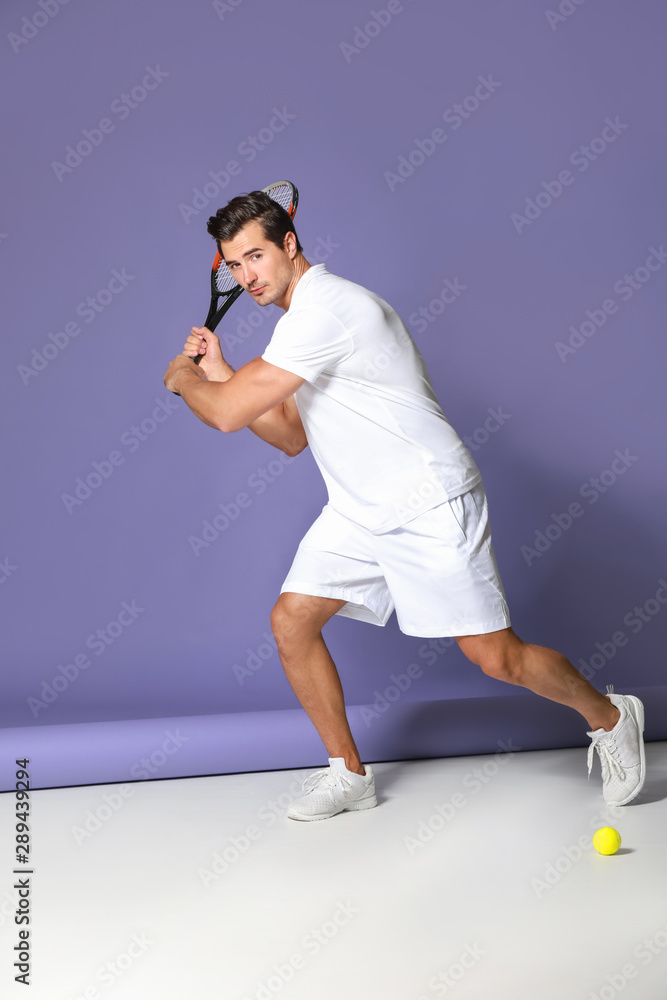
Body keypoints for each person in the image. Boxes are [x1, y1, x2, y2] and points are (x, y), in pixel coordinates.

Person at [164, 190, 646, 822]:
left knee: (496, 658)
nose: (246, 276)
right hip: (361, 508)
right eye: (233, 265)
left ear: (289, 244)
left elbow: (227, 418)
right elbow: (288, 436)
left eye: (255, 255)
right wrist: (221, 372)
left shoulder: (328, 310)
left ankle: (611, 718)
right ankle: (348, 774)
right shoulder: (297, 324)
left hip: (428, 500)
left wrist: (185, 380)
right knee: (292, 621)